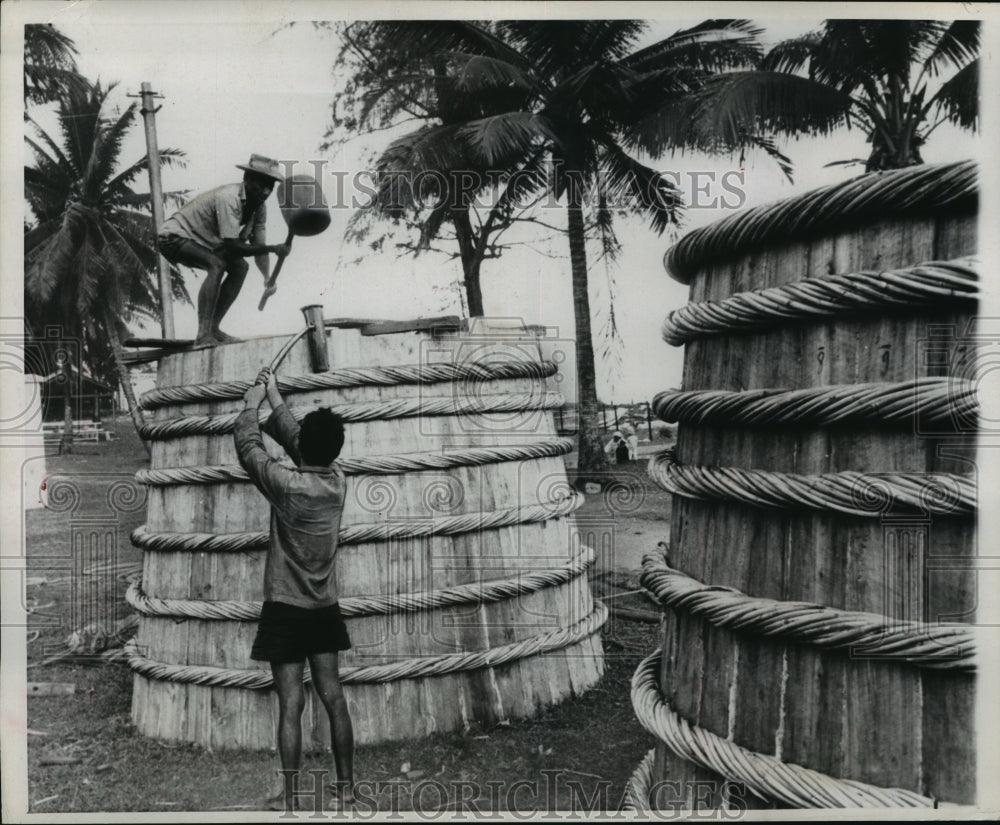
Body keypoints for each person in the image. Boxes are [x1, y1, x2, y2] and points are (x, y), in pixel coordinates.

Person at [234, 366, 355, 811]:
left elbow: (250, 449)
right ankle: (346, 792)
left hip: (285, 608)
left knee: (291, 703)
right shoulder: (336, 482)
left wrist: (251, 407)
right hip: (324, 608)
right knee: (333, 696)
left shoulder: (287, 486)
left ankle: (291, 801)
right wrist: (275, 395)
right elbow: (299, 443)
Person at [158, 154, 291, 348]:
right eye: (262, 184)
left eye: (270, 186)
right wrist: (274, 249)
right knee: (216, 264)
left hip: (204, 242)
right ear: (247, 180)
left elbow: (258, 247)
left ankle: (213, 329)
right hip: (172, 237)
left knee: (240, 268)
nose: (265, 191)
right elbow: (233, 246)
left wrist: (267, 278)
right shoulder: (229, 198)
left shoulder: (259, 208)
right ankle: (203, 335)